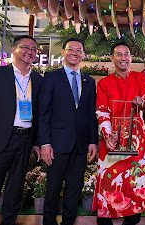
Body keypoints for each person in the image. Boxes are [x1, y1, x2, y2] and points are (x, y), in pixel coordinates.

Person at [0, 35, 42, 225]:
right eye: (26, 48)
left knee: (16, 188)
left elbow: (41, 114)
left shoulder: (38, 79)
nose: (30, 52)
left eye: (34, 49)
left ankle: (9, 222)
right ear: (13, 49)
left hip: (25, 140)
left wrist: (37, 142)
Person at [39, 38, 98, 225]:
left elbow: (90, 114)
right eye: (70, 49)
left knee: (74, 189)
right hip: (57, 144)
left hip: (80, 145)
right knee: (53, 189)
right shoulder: (51, 78)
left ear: (83, 54)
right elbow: (44, 112)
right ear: (63, 52)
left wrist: (92, 141)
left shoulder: (89, 81)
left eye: (79, 50)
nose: (75, 52)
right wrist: (45, 143)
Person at [92, 42, 145, 225]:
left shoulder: (140, 78)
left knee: (134, 177)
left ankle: (132, 217)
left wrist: (141, 101)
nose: (123, 58)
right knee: (109, 175)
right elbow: (102, 111)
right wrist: (107, 134)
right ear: (112, 58)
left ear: (131, 58)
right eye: (119, 54)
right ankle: (106, 217)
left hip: (136, 135)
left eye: (127, 54)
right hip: (112, 134)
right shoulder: (104, 83)